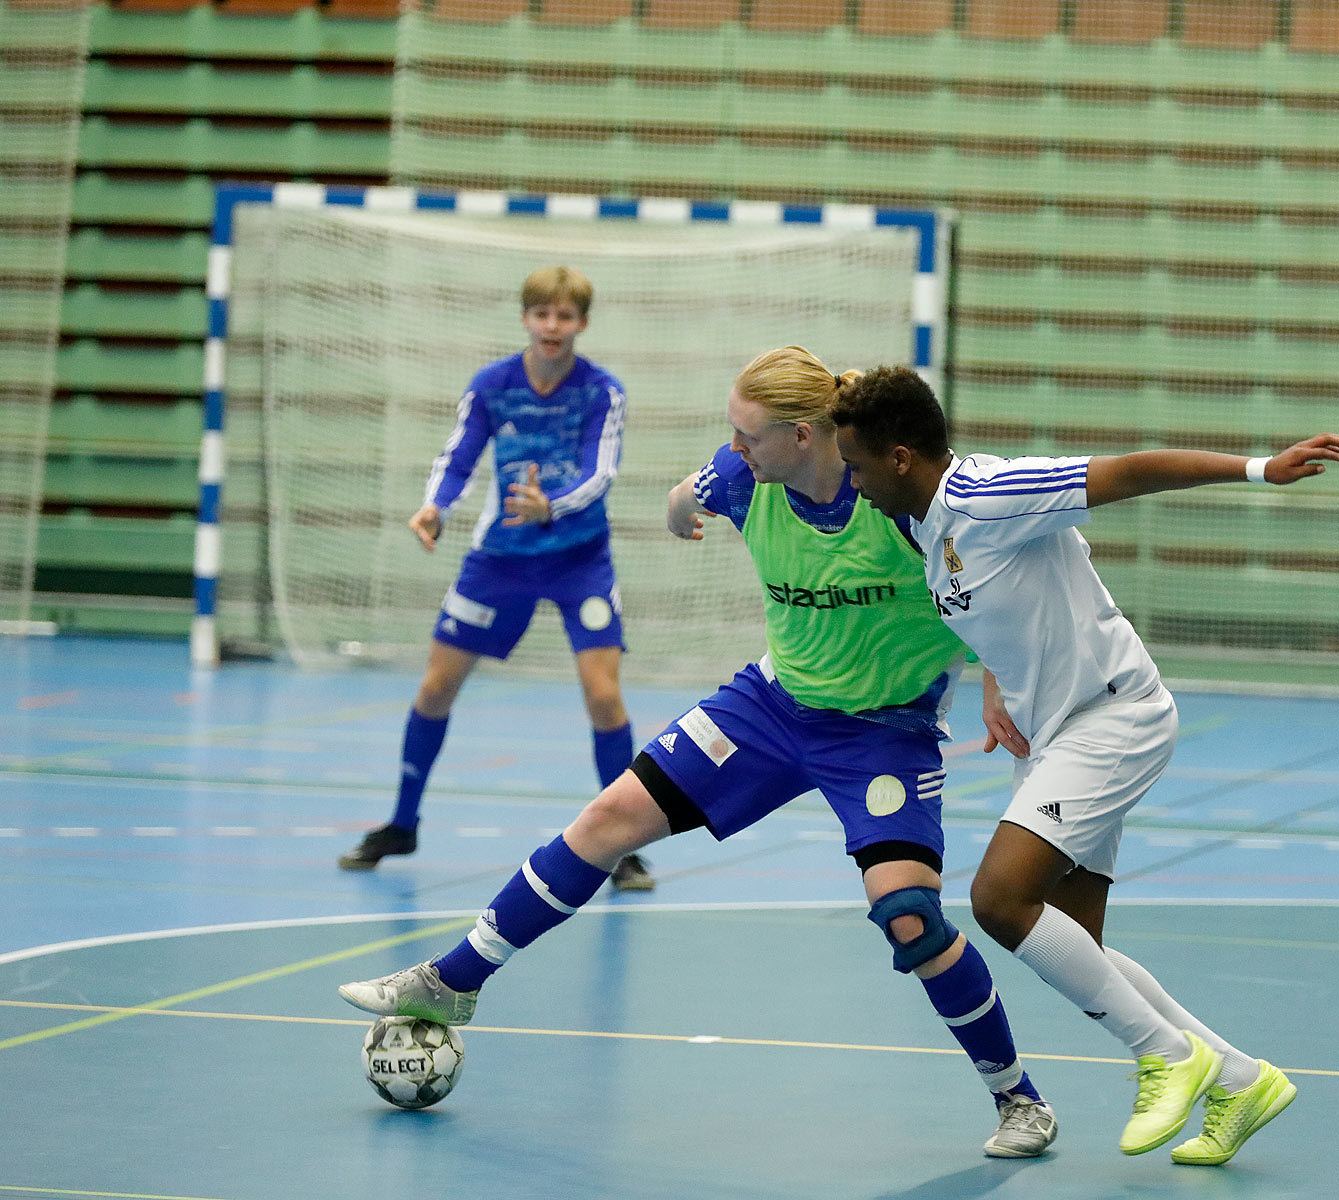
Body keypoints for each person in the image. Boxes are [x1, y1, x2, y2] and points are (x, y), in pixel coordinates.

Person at [340, 346, 1058, 1158]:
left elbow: (989, 575)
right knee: (610, 817)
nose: (734, 447)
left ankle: (1018, 1098)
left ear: (801, 435)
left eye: (747, 435)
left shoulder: (895, 501)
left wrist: (996, 677)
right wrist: (684, 505)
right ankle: (452, 981)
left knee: (910, 919)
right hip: (772, 706)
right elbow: (684, 496)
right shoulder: (746, 476)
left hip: (882, 732)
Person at [829, 364, 1339, 1164]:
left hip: (1114, 717)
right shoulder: (921, 519)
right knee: (1077, 945)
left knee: (1000, 901)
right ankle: (1240, 1081)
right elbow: (1003, 593)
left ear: (901, 458)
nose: (852, 483)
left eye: (858, 465)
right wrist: (995, 682)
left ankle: (1170, 1058)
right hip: (1054, 735)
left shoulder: (987, 494)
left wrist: (1259, 469)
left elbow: (1131, 471)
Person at [336, 265, 652, 892]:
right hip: (500, 558)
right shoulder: (491, 385)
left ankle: (623, 847)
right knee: (435, 688)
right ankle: (401, 823)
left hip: (577, 558)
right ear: (526, 319)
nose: (552, 327)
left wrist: (551, 505)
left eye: (565, 316)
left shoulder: (602, 392)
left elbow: (601, 470)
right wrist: (435, 507)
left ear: (582, 324)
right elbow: (458, 455)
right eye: (542, 315)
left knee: (604, 696)